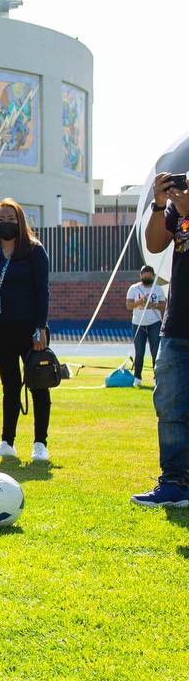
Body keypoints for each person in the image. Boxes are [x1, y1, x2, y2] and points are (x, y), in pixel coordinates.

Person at [0, 198, 50, 462]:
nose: (5, 223)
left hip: (30, 330)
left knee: (38, 384)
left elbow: (42, 291)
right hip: (1, 330)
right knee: (9, 386)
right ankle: (7, 442)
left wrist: (40, 327)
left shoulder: (34, 251)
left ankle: (40, 443)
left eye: (10, 219)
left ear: (19, 221)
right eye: (0, 219)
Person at [134, 172, 189, 506]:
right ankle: (173, 482)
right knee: (169, 407)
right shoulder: (178, 204)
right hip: (177, 323)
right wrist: (158, 204)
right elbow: (154, 245)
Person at [127, 264, 166, 385]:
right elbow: (128, 306)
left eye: (149, 275)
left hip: (154, 323)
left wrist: (153, 305)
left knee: (156, 351)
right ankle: (137, 377)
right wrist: (140, 302)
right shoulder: (134, 288)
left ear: (153, 276)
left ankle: (156, 378)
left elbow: (164, 306)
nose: (147, 277)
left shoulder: (158, 289)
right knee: (139, 352)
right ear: (141, 275)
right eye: (144, 275)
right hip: (138, 324)